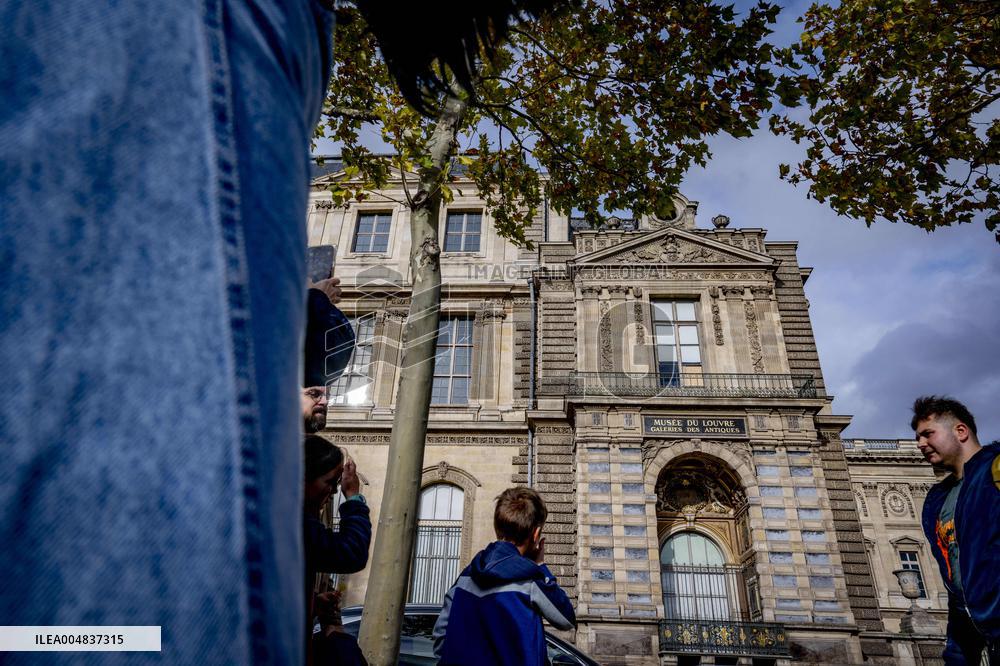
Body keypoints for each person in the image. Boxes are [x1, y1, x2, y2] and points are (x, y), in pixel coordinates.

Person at [433, 486, 575, 666]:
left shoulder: (467, 576)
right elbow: (566, 619)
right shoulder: (530, 578)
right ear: (536, 534)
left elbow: (441, 636)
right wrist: (541, 566)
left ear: (497, 527)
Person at [913, 396, 1000, 665]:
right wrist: (958, 653)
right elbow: (958, 579)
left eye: (928, 434)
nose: (920, 444)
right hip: (981, 630)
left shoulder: (994, 471)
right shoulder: (939, 500)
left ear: (960, 431)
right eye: (917, 437)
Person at [303, 436, 371, 640]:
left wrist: (313, 602)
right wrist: (353, 498)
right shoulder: (293, 523)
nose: (333, 491)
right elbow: (352, 552)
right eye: (330, 482)